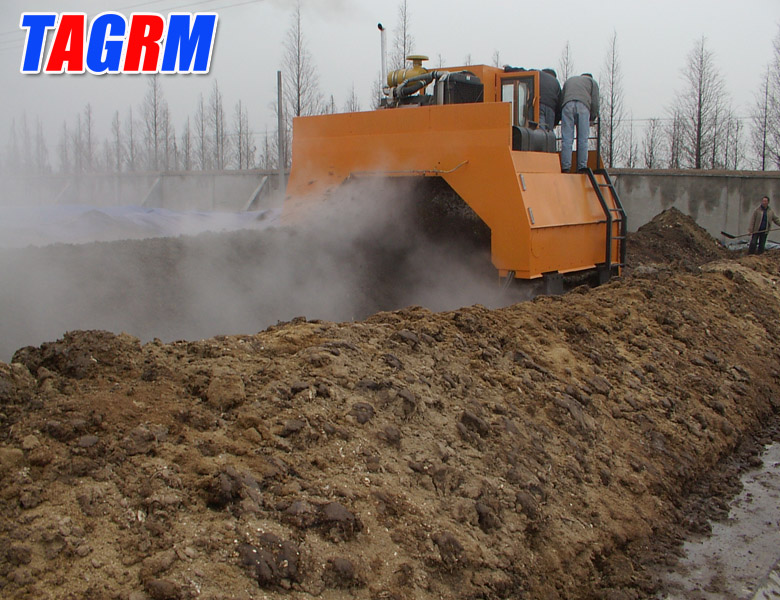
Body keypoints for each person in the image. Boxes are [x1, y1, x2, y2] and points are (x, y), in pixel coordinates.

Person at [560, 73, 599, 172]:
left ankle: (565, 167)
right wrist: (592, 118)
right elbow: (595, 102)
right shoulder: (592, 82)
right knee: (583, 139)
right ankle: (581, 167)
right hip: (583, 106)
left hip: (567, 105)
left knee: (567, 139)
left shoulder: (570, 80)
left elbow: (562, 97)